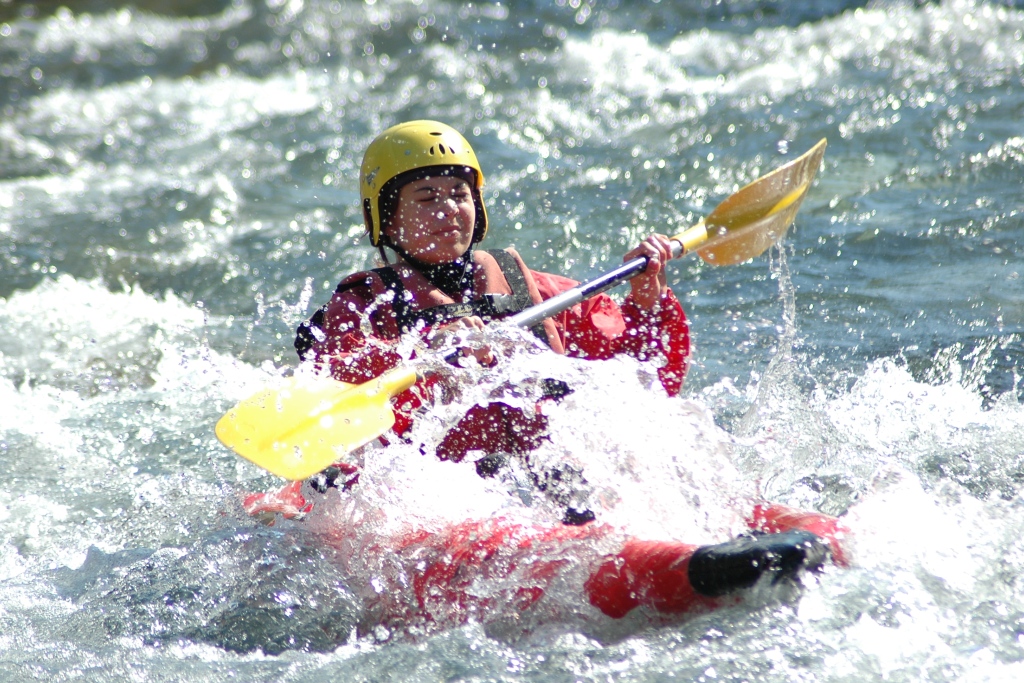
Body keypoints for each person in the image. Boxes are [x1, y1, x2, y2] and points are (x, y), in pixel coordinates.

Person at [241, 120, 849, 626]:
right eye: (426, 197)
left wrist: (644, 295)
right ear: (387, 218)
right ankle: (669, 566)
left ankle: (746, 536)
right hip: (445, 499)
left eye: (459, 194)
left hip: (545, 478)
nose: (449, 210)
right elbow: (341, 384)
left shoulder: (531, 289)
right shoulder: (363, 305)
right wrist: (427, 359)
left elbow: (645, 375)